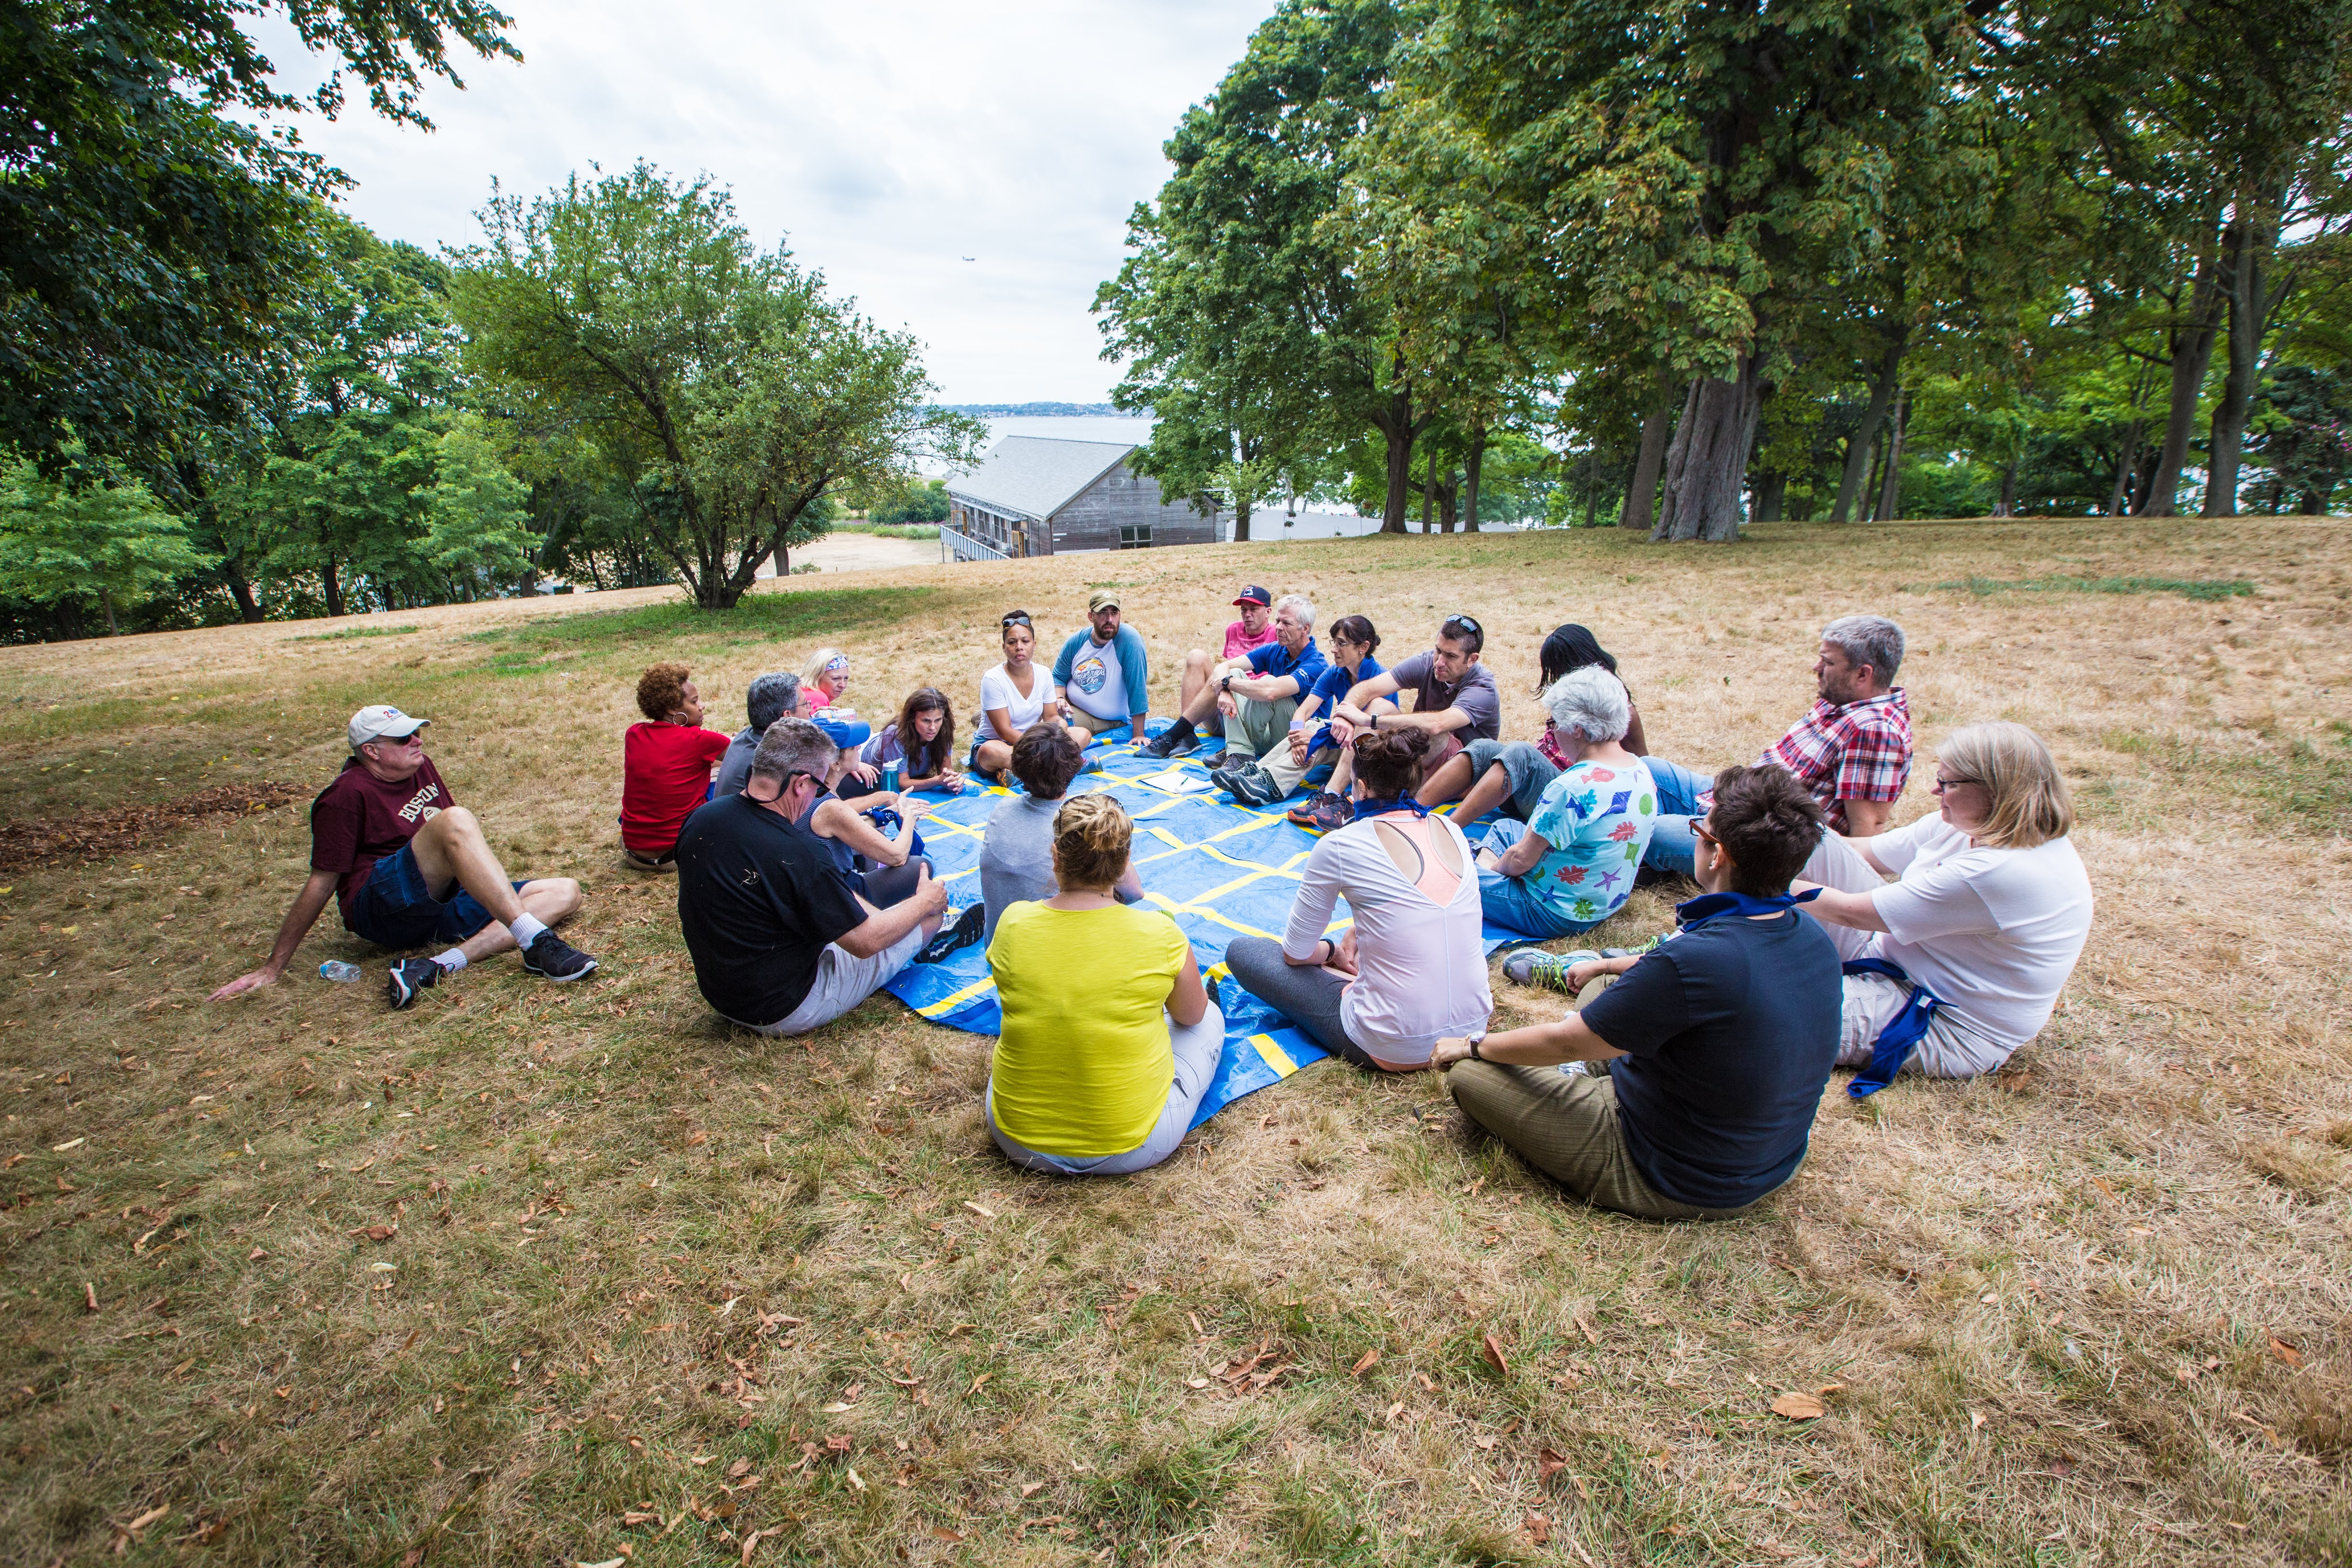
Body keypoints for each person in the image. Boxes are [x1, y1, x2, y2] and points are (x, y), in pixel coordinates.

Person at [1431, 765, 1841, 1221]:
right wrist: (1605, 964)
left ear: (1718, 856)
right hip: (1767, 1158)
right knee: (1605, 985)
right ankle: (1583, 1068)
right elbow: (1679, 979)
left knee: (1471, 1075)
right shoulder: (1811, 936)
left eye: (1699, 830)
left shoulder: (1698, 961)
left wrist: (1472, 1045)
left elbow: (1568, 1041)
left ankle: (1575, 1078)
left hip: (1667, 1171)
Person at [207, 705, 597, 1010]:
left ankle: (439, 964)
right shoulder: (345, 796)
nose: (416, 741)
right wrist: (273, 966)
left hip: (436, 898)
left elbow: (454, 847)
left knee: (566, 891)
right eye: (403, 738)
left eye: (417, 732)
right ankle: (536, 941)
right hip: (380, 906)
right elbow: (322, 882)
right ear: (371, 751)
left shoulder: (420, 767)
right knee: (455, 820)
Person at [1789, 721, 2092, 1092]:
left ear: (1994, 790)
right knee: (1806, 838)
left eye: (1948, 783)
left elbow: (1851, 912)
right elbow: (1862, 852)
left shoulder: (2001, 871)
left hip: (1944, 1021)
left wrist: (1759, 878)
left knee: (1763, 1008)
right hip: (1891, 956)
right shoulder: (1967, 825)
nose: (1936, 790)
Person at [982, 794, 1224, 1176]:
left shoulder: (1013, 923)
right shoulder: (1160, 933)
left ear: (1055, 856)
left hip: (1018, 1140)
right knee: (1209, 1018)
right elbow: (1191, 1015)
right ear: (1125, 863)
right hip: (1133, 1144)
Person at [1224, 728, 1491, 1071]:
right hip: (1472, 1028)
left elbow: (1296, 953)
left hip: (1395, 1043)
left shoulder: (1340, 845)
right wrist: (1359, 932)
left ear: (1361, 789)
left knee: (1245, 952)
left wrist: (1332, 952)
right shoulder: (1450, 828)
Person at [675, 717, 948, 1035]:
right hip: (785, 1006)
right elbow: (866, 942)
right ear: (801, 784)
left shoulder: (702, 820)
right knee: (931, 917)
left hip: (722, 992)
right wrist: (925, 901)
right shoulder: (800, 853)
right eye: (819, 788)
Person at [1644, 615, 1912, 876]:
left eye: (1828, 662)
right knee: (1647, 770)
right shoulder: (1841, 701)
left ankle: (1662, 855)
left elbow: (1868, 827)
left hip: (1759, 842)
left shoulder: (1874, 730)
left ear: (1863, 674)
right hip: (1740, 806)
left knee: (1650, 830)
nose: (1817, 667)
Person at [1474, 668, 1659, 940]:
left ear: (1576, 729)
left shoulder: (1571, 787)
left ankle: (1482, 876)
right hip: (1603, 901)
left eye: (1554, 723)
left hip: (1553, 911)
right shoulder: (1640, 769)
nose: (1553, 731)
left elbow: (1520, 860)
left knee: (1454, 875)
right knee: (1506, 828)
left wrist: (1495, 870)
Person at [1286, 614, 1500, 833]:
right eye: (1438, 650)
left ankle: (1355, 803)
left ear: (1472, 659)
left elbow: (1438, 723)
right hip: (1418, 757)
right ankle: (1331, 795)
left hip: (1462, 774)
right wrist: (1344, 716)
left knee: (1426, 731)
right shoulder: (1427, 662)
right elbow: (1368, 688)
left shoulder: (1483, 689)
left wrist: (1369, 720)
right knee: (1379, 705)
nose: (1439, 661)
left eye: (1451, 656)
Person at [1419, 623, 1650, 821]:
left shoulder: (1619, 709)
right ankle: (1412, 809)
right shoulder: (1571, 698)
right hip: (1535, 782)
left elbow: (1642, 764)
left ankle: (1449, 829)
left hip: (1568, 795)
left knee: (1520, 754)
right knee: (1483, 748)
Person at [979, 721, 1143, 943]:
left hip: (999, 946)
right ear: (1074, 769)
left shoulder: (1001, 809)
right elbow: (1134, 893)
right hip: (1053, 950)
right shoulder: (1076, 826)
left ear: (1016, 767)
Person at [1215, 615, 1383, 808]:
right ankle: (1257, 772)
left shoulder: (1380, 679)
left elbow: (1377, 732)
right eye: (1334, 642)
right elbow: (1303, 712)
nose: (1334, 649)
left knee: (1320, 732)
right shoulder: (1335, 673)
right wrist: (1297, 737)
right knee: (1313, 727)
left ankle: (1271, 784)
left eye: (1341, 643)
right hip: (1339, 741)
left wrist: (1314, 736)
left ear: (1363, 647)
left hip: (1366, 752)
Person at [1143, 593, 1325, 764]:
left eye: (1286, 623)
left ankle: (1233, 748)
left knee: (1267, 682)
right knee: (1234, 672)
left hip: (1296, 740)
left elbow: (1271, 692)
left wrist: (1227, 683)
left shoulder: (1316, 664)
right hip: (1260, 728)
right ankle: (1232, 748)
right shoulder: (1276, 648)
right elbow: (1224, 666)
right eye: (1278, 621)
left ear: (1305, 628)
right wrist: (1225, 690)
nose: (1278, 627)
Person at [619, 662, 733, 872]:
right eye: (695, 701)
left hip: (634, 854)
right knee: (724, 777)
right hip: (682, 853)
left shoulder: (634, 734)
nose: (702, 706)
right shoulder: (700, 740)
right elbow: (743, 755)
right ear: (672, 708)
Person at [972, 610, 1087, 785]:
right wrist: (1041, 747)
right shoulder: (992, 679)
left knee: (1082, 734)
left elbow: (1051, 717)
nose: (1019, 647)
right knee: (991, 751)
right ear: (1004, 647)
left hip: (1036, 742)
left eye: (1025, 641)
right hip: (1003, 744)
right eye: (1012, 642)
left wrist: (1060, 726)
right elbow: (1004, 730)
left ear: (1034, 645)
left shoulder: (1044, 673)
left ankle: (1022, 772)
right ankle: (1067, 765)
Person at [1161, 585, 1280, 750]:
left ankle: (1179, 732)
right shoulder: (1233, 629)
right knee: (1197, 656)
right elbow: (1224, 668)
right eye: (1244, 609)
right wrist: (1224, 690)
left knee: (1234, 673)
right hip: (1224, 710)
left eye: (1254, 609)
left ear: (1268, 612)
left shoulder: (1278, 635)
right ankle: (1185, 734)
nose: (1247, 614)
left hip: (1254, 719)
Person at [1051, 590, 1151, 745]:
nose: (1110, 619)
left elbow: (1137, 687)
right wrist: (1060, 699)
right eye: (1103, 613)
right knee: (1045, 727)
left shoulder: (1130, 640)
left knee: (1059, 741)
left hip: (1114, 721)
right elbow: (1058, 677)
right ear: (1091, 617)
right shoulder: (1076, 642)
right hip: (1076, 711)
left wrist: (1139, 734)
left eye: (1114, 613)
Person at [715, 671, 804, 800]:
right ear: (788, 716)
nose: (810, 710)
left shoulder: (749, 734)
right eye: (806, 705)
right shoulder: (774, 759)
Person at [862, 687, 966, 794]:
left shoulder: (944, 727)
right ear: (912, 718)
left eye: (938, 720)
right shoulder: (896, 735)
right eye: (926, 721)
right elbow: (901, 783)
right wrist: (936, 781)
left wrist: (953, 781)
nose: (933, 728)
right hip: (865, 751)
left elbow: (947, 769)